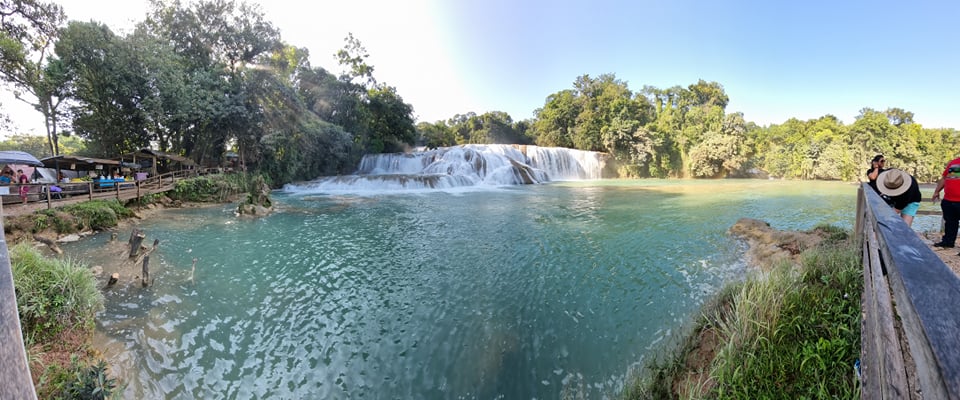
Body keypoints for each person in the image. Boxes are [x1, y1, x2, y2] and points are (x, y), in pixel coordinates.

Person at [931, 156, 960, 249]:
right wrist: (937, 191)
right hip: (949, 199)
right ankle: (948, 242)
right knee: (950, 223)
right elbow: (944, 178)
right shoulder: (953, 163)